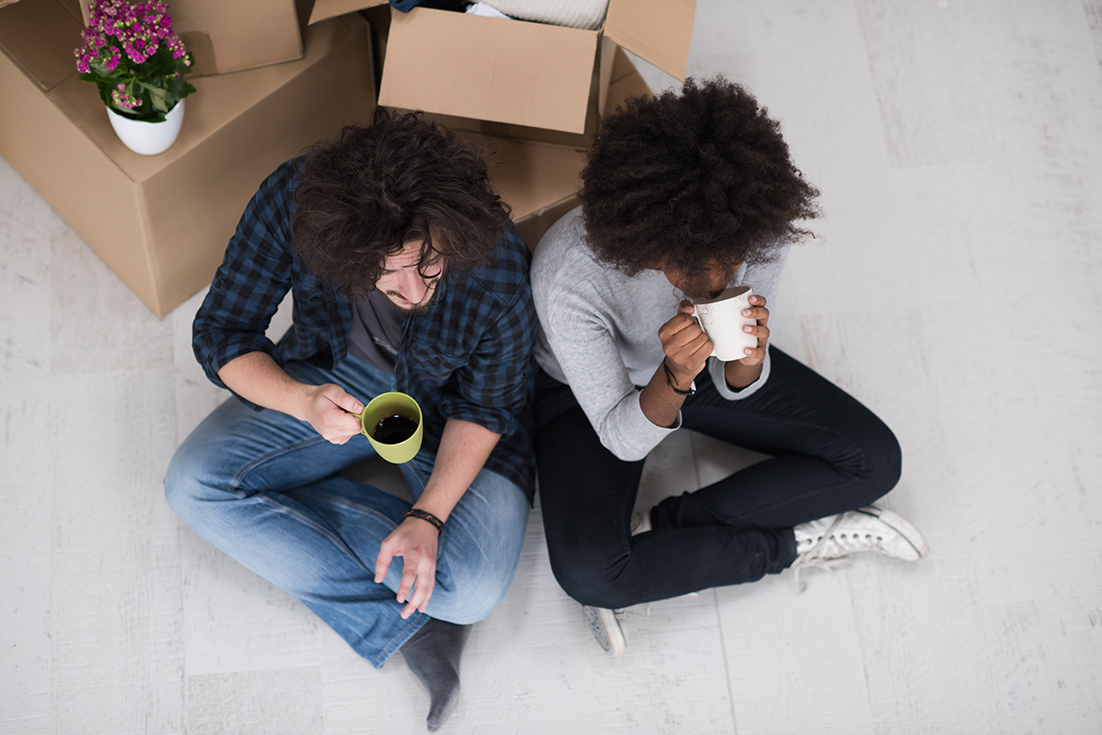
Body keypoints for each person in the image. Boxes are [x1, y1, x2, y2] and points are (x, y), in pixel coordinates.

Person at [165, 108, 537, 730]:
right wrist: (298, 401)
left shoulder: (494, 259)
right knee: (191, 485)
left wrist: (427, 516)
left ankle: (309, 510)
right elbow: (221, 333)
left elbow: (489, 406)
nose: (415, 293)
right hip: (334, 376)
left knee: (473, 591)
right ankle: (408, 623)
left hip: (451, 411)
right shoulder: (294, 199)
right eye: (386, 273)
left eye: (428, 264)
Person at [531, 78, 929, 656]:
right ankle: (789, 544)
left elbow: (735, 383)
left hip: (691, 369)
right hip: (580, 394)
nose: (717, 284)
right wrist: (673, 379)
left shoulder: (753, 221)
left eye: (732, 261)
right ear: (644, 244)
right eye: (691, 268)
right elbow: (621, 438)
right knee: (593, 576)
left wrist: (748, 362)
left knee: (875, 460)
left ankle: (666, 537)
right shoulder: (571, 271)